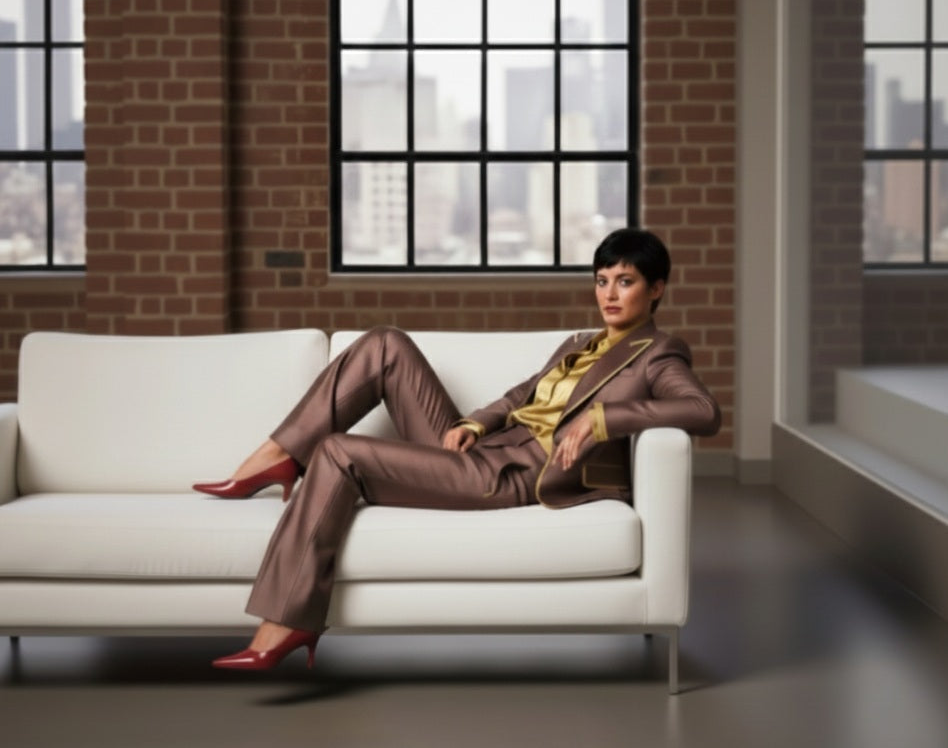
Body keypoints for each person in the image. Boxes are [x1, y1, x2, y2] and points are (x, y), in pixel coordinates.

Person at [193, 227, 721, 671]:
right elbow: (524, 394)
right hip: (482, 450)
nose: (609, 293)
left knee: (337, 452)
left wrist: (604, 418)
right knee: (384, 343)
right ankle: (279, 454)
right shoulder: (580, 343)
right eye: (602, 281)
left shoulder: (658, 353)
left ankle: (287, 622)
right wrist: (473, 420)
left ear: (655, 290)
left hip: (514, 475)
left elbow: (703, 411)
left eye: (625, 282)